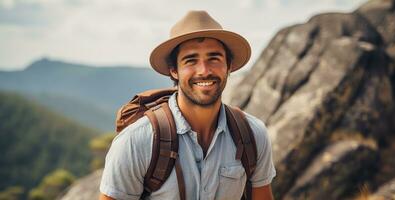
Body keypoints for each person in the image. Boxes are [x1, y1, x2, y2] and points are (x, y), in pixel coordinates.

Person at [99, 10, 276, 200]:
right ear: (174, 70)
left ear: (229, 66)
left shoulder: (252, 135)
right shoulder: (136, 142)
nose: (204, 70)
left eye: (214, 58)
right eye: (191, 60)